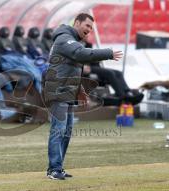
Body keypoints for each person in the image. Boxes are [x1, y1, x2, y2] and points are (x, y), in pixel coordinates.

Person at [43, 13, 123, 180]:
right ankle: (54, 169)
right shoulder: (64, 38)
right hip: (58, 91)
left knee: (66, 132)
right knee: (58, 130)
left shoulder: (73, 41)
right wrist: (108, 53)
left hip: (67, 91)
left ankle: (58, 168)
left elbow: (73, 69)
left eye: (91, 28)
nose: (89, 30)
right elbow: (81, 54)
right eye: (87, 25)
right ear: (77, 22)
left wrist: (80, 90)